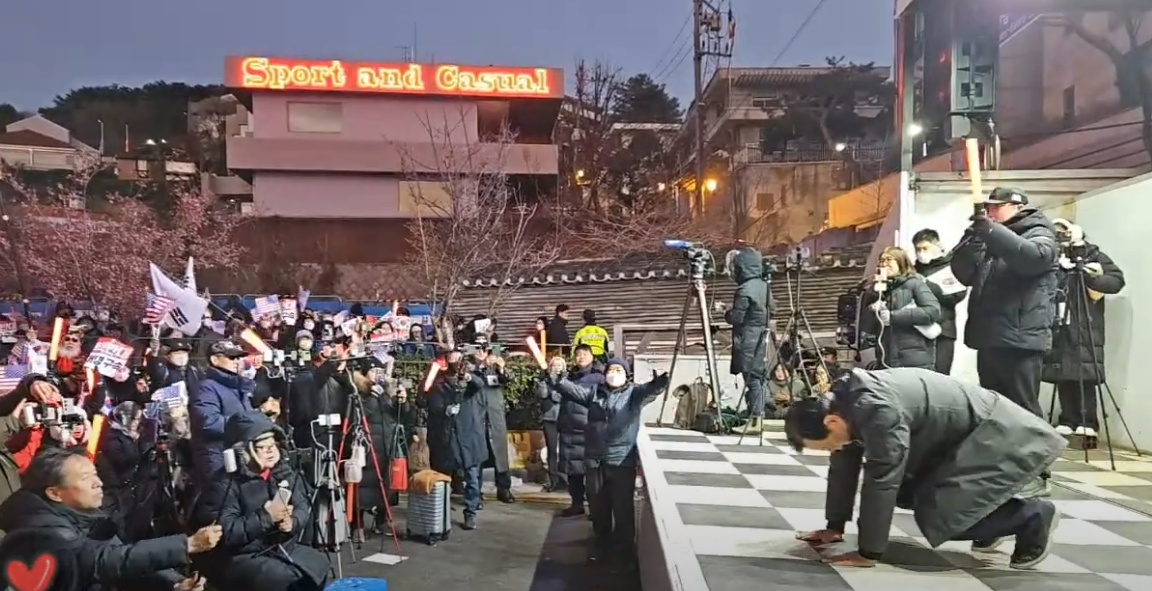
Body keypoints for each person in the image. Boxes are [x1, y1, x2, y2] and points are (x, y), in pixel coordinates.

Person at [784, 368, 1064, 570]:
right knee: (908, 492)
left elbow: (881, 481)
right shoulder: (846, 403)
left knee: (938, 519)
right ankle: (992, 521)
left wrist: (868, 553)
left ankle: (1033, 516)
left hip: (998, 435)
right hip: (969, 440)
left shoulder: (877, 410)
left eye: (824, 446)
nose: (831, 451)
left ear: (831, 423)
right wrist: (835, 526)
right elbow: (845, 468)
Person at [0, 448, 222, 591]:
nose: (98, 483)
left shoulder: (84, 512)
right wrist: (187, 544)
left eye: (95, 473)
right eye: (86, 478)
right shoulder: (40, 529)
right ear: (55, 493)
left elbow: (122, 557)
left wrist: (174, 584)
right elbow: (103, 561)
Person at [546, 358, 668, 562]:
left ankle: (624, 550)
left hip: (621, 461)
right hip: (595, 459)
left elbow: (651, 391)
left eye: (619, 369)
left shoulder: (634, 394)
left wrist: (659, 383)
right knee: (597, 506)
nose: (614, 373)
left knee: (622, 508)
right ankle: (601, 542)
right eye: (611, 369)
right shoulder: (594, 393)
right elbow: (572, 391)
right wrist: (557, 379)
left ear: (626, 374)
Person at [951, 187, 1058, 418]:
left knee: (1022, 407)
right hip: (991, 335)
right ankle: (1001, 453)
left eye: (997, 207)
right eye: (989, 207)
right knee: (992, 405)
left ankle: (1032, 453)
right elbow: (966, 274)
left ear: (1019, 207)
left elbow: (1035, 258)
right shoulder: (992, 238)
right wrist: (973, 239)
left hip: (1021, 338)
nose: (991, 211)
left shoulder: (1039, 231)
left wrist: (991, 231)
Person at [197, 412, 329, 591]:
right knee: (284, 579)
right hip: (240, 557)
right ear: (243, 449)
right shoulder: (224, 483)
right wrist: (267, 517)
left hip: (279, 547)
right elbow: (225, 532)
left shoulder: (282, 471)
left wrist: (292, 522)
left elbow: (302, 505)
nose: (271, 450)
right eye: (262, 446)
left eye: (273, 444)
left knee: (318, 563)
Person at [1043, 219, 1126, 438]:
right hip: (1059, 321)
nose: (1061, 236)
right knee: (1062, 370)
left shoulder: (1093, 255)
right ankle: (1067, 419)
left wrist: (1088, 275)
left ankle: (1088, 420)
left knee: (1085, 372)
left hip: (1085, 322)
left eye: (1065, 231)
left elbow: (1116, 281)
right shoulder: (1052, 257)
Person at [426, 351, 488, 530]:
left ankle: (470, 512)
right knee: (445, 476)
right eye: (451, 360)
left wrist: (467, 377)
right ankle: (442, 511)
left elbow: (479, 384)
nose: (455, 364)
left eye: (457, 360)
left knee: (472, 478)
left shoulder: (468, 379)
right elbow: (432, 402)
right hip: (449, 435)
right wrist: (445, 409)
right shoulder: (440, 381)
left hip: (469, 434)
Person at [864, 246, 941, 370]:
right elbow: (869, 328)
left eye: (889, 259)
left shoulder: (914, 284)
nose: (884, 264)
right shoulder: (879, 291)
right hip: (887, 359)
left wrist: (893, 317)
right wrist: (872, 306)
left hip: (914, 359)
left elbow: (932, 311)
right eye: (881, 261)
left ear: (901, 262)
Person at [189, 339, 255, 483]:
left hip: (238, 455)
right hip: (217, 459)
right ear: (215, 359)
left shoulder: (238, 386)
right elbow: (208, 422)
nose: (237, 361)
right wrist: (244, 422)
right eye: (231, 357)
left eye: (238, 357)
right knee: (221, 502)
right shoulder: (206, 388)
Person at [725, 247, 771, 436]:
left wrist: (726, 312)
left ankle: (755, 419)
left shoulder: (744, 289)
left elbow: (736, 318)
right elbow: (772, 309)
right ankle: (759, 417)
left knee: (752, 380)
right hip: (763, 335)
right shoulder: (764, 286)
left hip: (748, 338)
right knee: (760, 379)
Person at [913, 228, 968, 374]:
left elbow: (956, 296)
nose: (921, 252)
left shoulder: (952, 267)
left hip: (943, 331)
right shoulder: (913, 270)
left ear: (937, 246)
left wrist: (925, 284)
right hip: (916, 330)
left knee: (939, 376)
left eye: (925, 248)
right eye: (917, 249)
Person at [473, 347, 515, 504]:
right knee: (477, 454)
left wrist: (501, 367)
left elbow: (508, 379)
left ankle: (504, 488)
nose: (481, 353)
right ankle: (475, 490)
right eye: (478, 350)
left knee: (500, 454)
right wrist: (479, 367)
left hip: (495, 416)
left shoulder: (495, 367)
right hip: (477, 416)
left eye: (484, 350)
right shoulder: (469, 368)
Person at [95, 401, 144, 536]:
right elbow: (122, 461)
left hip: (126, 487)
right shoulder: (112, 437)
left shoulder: (126, 434)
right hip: (115, 489)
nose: (137, 423)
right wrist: (138, 444)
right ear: (124, 418)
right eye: (135, 419)